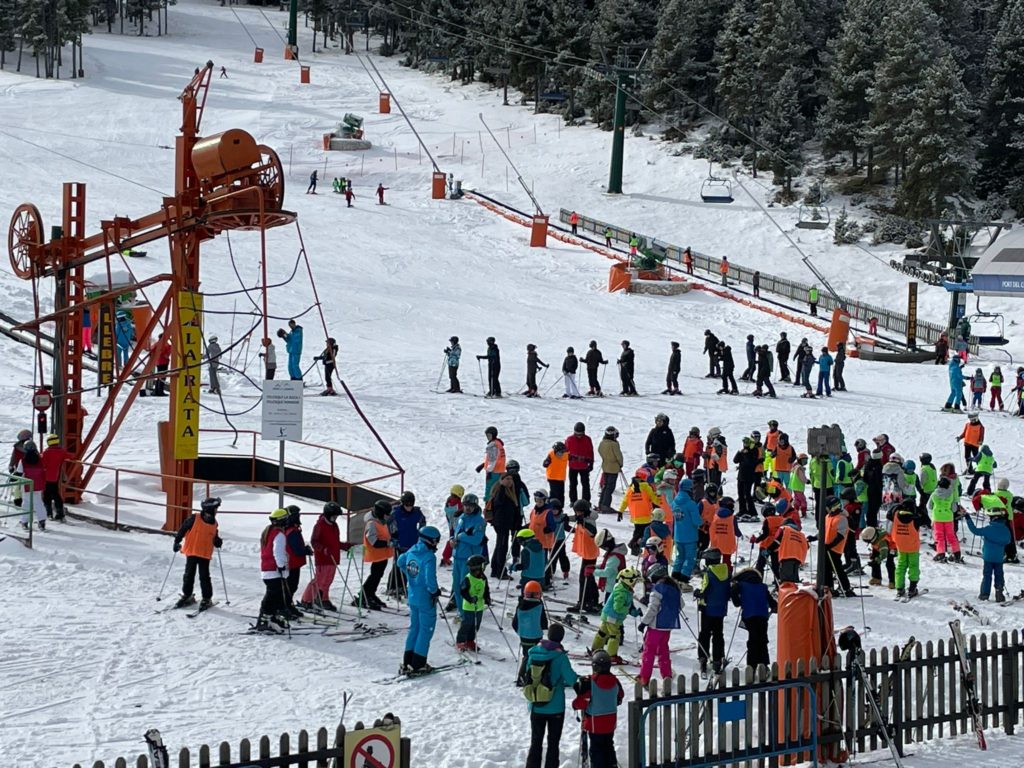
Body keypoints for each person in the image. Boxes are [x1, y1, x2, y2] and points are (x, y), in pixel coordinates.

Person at [524, 624, 577, 768]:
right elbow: (571, 679)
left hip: (536, 704)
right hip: (555, 707)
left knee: (536, 741)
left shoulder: (533, 653)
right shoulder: (560, 656)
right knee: (553, 743)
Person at [397, 526, 442, 675]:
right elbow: (430, 579)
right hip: (425, 598)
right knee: (425, 630)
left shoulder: (412, 550)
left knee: (414, 628)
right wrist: (434, 591)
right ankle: (418, 663)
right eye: (436, 541)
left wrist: (411, 576)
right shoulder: (429, 556)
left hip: (413, 595)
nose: (436, 545)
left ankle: (407, 660)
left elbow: (400, 562)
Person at [572, 650, 624, 768]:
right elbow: (620, 696)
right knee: (609, 745)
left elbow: (582, 703)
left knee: (597, 749)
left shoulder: (591, 682)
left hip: (595, 723)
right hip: (610, 721)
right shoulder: (615, 681)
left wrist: (575, 704)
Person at [172, 497, 222, 609]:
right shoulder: (194, 518)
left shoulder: (214, 524)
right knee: (189, 575)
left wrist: (218, 541)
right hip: (192, 552)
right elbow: (183, 529)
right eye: (215, 509)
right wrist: (177, 541)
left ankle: (206, 598)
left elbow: (215, 536)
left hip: (204, 554)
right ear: (210, 510)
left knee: (204, 576)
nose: (216, 511)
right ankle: (187, 595)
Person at [638, 564, 681, 684]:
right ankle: (666, 674)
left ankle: (644, 677)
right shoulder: (674, 587)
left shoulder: (657, 589)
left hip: (655, 626)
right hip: (668, 625)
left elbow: (652, 609)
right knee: (663, 650)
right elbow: (681, 604)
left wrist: (643, 622)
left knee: (649, 651)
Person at [963, 497, 1011, 601]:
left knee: (987, 575)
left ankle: (984, 594)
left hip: (988, 557)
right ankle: (999, 593)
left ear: (993, 518)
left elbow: (974, 530)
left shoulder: (988, 529)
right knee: (999, 574)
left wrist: (968, 518)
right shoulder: (1005, 529)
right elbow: (1008, 541)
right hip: (999, 558)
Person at [299, 502, 344, 611]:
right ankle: (306, 599)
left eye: (337, 516)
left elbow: (335, 542)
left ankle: (323, 599)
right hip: (323, 558)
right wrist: (323, 549)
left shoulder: (334, 525)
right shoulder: (320, 525)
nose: (336, 518)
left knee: (328, 580)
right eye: (334, 516)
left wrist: (346, 546)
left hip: (333, 557)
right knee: (319, 580)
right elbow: (314, 541)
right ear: (328, 514)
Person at [591, 567, 641, 663]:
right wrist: (628, 611)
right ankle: (611, 655)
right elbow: (618, 607)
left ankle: (595, 649)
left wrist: (632, 609)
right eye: (635, 581)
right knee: (615, 635)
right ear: (629, 581)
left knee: (603, 632)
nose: (635, 584)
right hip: (613, 617)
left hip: (608, 615)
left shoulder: (624, 588)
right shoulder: (621, 592)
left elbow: (627, 602)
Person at [731, 567, 776, 668]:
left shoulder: (741, 585)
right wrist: (774, 607)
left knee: (753, 640)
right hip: (763, 616)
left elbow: (734, 597)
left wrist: (739, 602)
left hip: (749, 615)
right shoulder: (762, 586)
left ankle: (752, 666)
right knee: (762, 640)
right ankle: (764, 665)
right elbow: (772, 602)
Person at [695, 549, 730, 676]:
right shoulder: (726, 571)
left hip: (707, 609)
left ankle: (703, 658)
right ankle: (717, 660)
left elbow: (705, 591)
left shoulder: (709, 573)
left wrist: (698, 593)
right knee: (718, 634)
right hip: (720, 609)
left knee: (704, 634)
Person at [256, 508, 292, 631]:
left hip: (268, 570)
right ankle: (264, 619)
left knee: (276, 595)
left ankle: (273, 617)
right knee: (272, 596)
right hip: (274, 570)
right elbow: (278, 552)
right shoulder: (279, 535)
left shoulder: (269, 532)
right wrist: (281, 565)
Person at [487, 468, 527, 579]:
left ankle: (495, 569)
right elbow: (500, 505)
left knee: (500, 546)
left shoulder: (507, 491)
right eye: (507, 479)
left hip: (503, 523)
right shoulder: (501, 491)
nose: (509, 481)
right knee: (502, 547)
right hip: (501, 524)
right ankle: (500, 571)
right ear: (502, 480)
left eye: (511, 479)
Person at [447, 491, 484, 608]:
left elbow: (477, 539)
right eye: (466, 505)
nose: (467, 508)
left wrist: (461, 537)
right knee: (457, 586)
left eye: (470, 506)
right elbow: (455, 533)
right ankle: (460, 610)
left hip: (468, 559)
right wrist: (452, 540)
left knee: (466, 587)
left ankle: (467, 611)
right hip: (457, 556)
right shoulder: (461, 518)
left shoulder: (479, 521)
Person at [356, 500, 393, 609]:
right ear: (380, 512)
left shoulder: (381, 521)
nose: (388, 516)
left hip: (382, 554)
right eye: (386, 514)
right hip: (376, 554)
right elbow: (373, 541)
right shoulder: (372, 523)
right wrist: (388, 543)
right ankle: (364, 595)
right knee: (375, 575)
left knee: (378, 575)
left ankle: (371, 593)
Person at [388, 491, 426, 597]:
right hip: (400, 543)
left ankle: (403, 586)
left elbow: (422, 521)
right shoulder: (396, 513)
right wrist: (393, 536)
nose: (409, 507)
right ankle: (393, 587)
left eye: (411, 504)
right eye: (407, 504)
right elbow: (390, 524)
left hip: (412, 543)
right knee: (398, 565)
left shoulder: (417, 512)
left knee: (408, 566)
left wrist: (421, 533)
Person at [514, 580, 550, 683]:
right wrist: (545, 628)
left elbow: (515, 622)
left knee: (526, 654)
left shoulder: (520, 605)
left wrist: (519, 631)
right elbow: (543, 621)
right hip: (536, 635)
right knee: (532, 656)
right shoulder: (539, 606)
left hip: (524, 636)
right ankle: (524, 676)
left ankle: (525, 675)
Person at [820, 496, 856, 597]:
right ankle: (829, 587)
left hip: (835, 548)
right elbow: (824, 531)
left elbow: (840, 536)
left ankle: (846, 588)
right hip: (827, 547)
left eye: (827, 507)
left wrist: (830, 545)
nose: (826, 509)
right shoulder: (828, 517)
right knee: (826, 568)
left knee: (837, 568)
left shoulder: (841, 518)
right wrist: (814, 538)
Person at [455, 555, 490, 651]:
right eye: (483, 565)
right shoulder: (468, 579)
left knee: (476, 625)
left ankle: (470, 640)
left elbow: (486, 589)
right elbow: (463, 592)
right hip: (469, 607)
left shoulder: (483, 577)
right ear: (477, 567)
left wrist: (487, 598)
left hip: (479, 606)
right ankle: (460, 641)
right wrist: (470, 599)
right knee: (467, 624)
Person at [283, 507, 312, 617]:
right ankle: (285, 606)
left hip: (293, 563)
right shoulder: (292, 531)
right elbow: (297, 549)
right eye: (297, 515)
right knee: (291, 586)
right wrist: (306, 550)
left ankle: (288, 605)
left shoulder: (292, 530)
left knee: (291, 586)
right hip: (292, 563)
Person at [890, 499, 922, 599]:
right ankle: (912, 588)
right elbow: (927, 520)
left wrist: (897, 506)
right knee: (913, 566)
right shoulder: (915, 519)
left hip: (900, 545)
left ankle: (899, 588)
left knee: (901, 566)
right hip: (913, 547)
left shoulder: (896, 515)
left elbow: (888, 513)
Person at [620, 472, 659, 555]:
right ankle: (633, 544)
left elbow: (625, 501)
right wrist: (660, 503)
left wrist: (621, 511)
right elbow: (654, 499)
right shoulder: (646, 488)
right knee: (643, 534)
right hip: (646, 516)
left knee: (637, 532)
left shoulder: (630, 489)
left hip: (635, 516)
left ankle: (634, 549)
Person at [928, 477, 961, 563]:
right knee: (951, 536)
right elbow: (954, 509)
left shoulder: (934, 494)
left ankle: (941, 553)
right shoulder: (951, 494)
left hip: (937, 518)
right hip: (948, 518)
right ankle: (957, 553)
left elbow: (929, 506)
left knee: (939, 536)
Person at [40, 434, 70, 521]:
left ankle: (48, 513)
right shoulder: (61, 451)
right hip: (56, 477)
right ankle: (60, 513)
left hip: (46, 477)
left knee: (47, 495)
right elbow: (71, 456)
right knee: (56, 494)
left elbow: (43, 464)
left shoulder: (46, 452)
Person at [566, 422, 594, 504]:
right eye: (577, 434)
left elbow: (590, 451)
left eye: (581, 434)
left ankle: (586, 501)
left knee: (585, 484)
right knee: (573, 484)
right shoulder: (569, 439)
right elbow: (565, 452)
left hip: (584, 466)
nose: (579, 436)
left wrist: (591, 462)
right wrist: (569, 457)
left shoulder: (587, 439)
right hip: (573, 466)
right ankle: (573, 501)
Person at [597, 426, 623, 513]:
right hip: (613, 468)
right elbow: (618, 456)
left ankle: (601, 504)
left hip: (605, 466)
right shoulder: (614, 444)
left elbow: (599, 451)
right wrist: (620, 464)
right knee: (610, 487)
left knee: (605, 486)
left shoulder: (602, 443)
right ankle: (605, 505)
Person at [477, 425, 506, 501]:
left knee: (490, 491)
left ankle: (488, 504)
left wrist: (489, 471)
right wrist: (483, 465)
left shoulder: (492, 445)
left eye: (488, 435)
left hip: (493, 472)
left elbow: (492, 460)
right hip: (500, 471)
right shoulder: (499, 444)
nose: (487, 437)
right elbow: (496, 458)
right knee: (497, 489)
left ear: (492, 435)